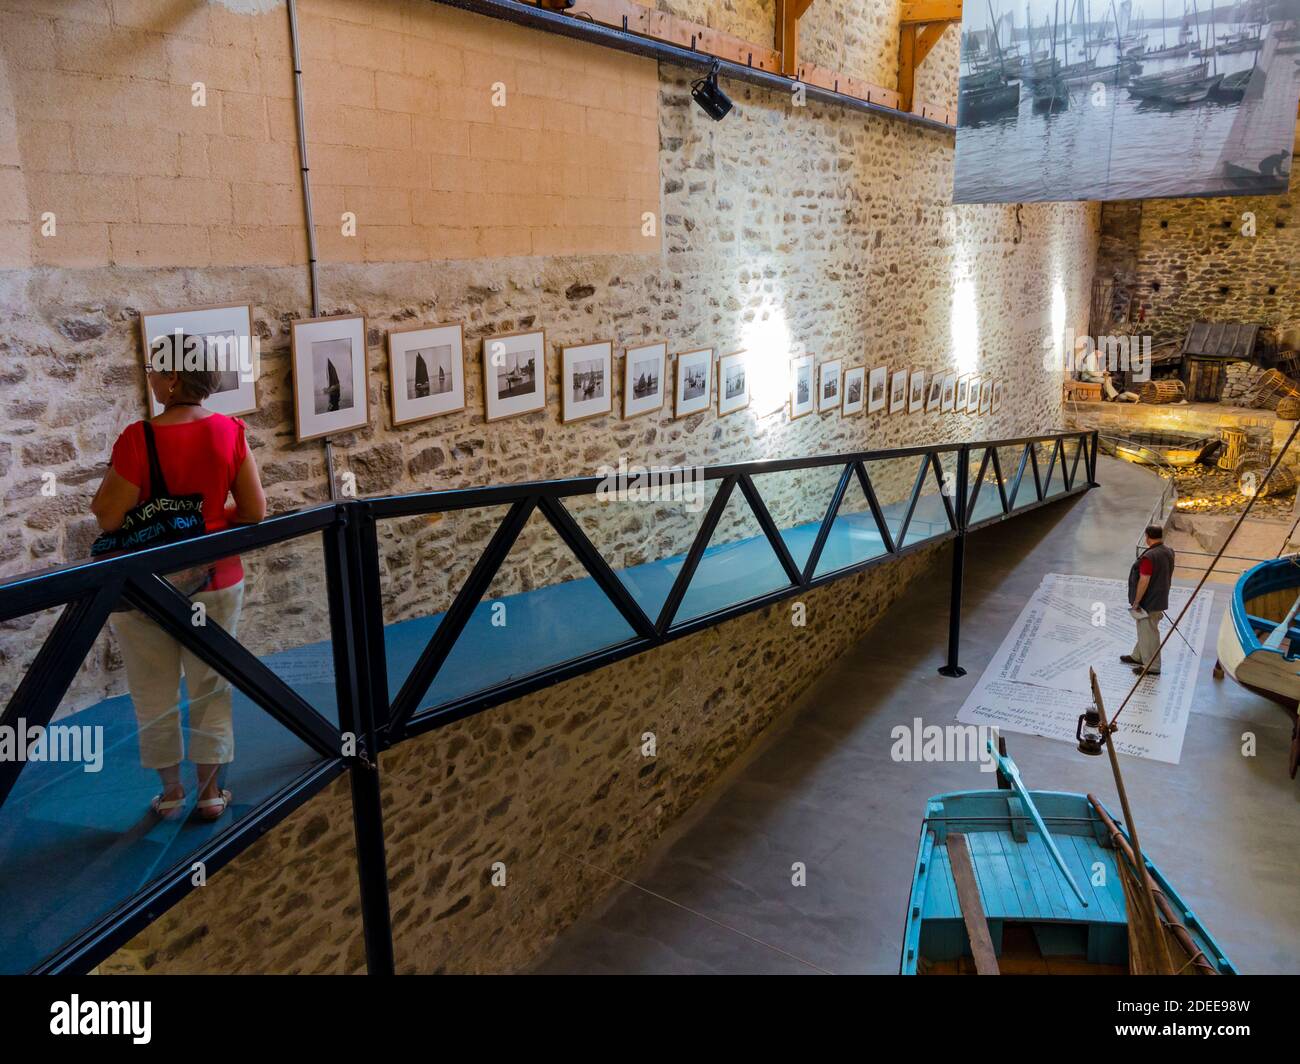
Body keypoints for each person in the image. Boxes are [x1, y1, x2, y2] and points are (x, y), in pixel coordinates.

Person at [91, 344, 266, 821]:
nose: (149, 378)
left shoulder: (136, 439)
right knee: (211, 684)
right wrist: (207, 521)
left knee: (152, 689)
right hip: (216, 576)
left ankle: (170, 794)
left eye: (153, 371)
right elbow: (253, 511)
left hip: (145, 584)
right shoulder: (230, 431)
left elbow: (109, 517)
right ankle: (210, 794)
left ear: (172, 380)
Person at [1121, 524, 1175, 677]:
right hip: (1159, 598)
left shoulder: (1149, 557)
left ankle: (1152, 666)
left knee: (1149, 632)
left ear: (1147, 537)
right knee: (1145, 630)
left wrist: (1137, 601)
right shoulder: (1168, 551)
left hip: (1149, 602)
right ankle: (1137, 656)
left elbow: (1144, 580)